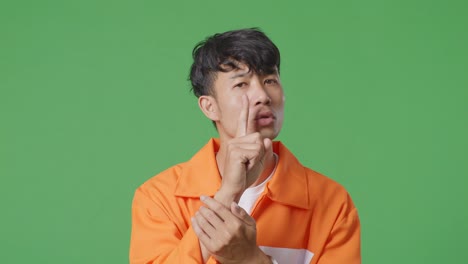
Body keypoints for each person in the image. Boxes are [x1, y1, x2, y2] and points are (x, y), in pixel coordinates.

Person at [129, 28, 361, 264]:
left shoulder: (332, 201)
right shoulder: (159, 197)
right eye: (241, 84)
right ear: (210, 107)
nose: (262, 95)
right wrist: (229, 191)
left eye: (270, 80)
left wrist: (250, 259)